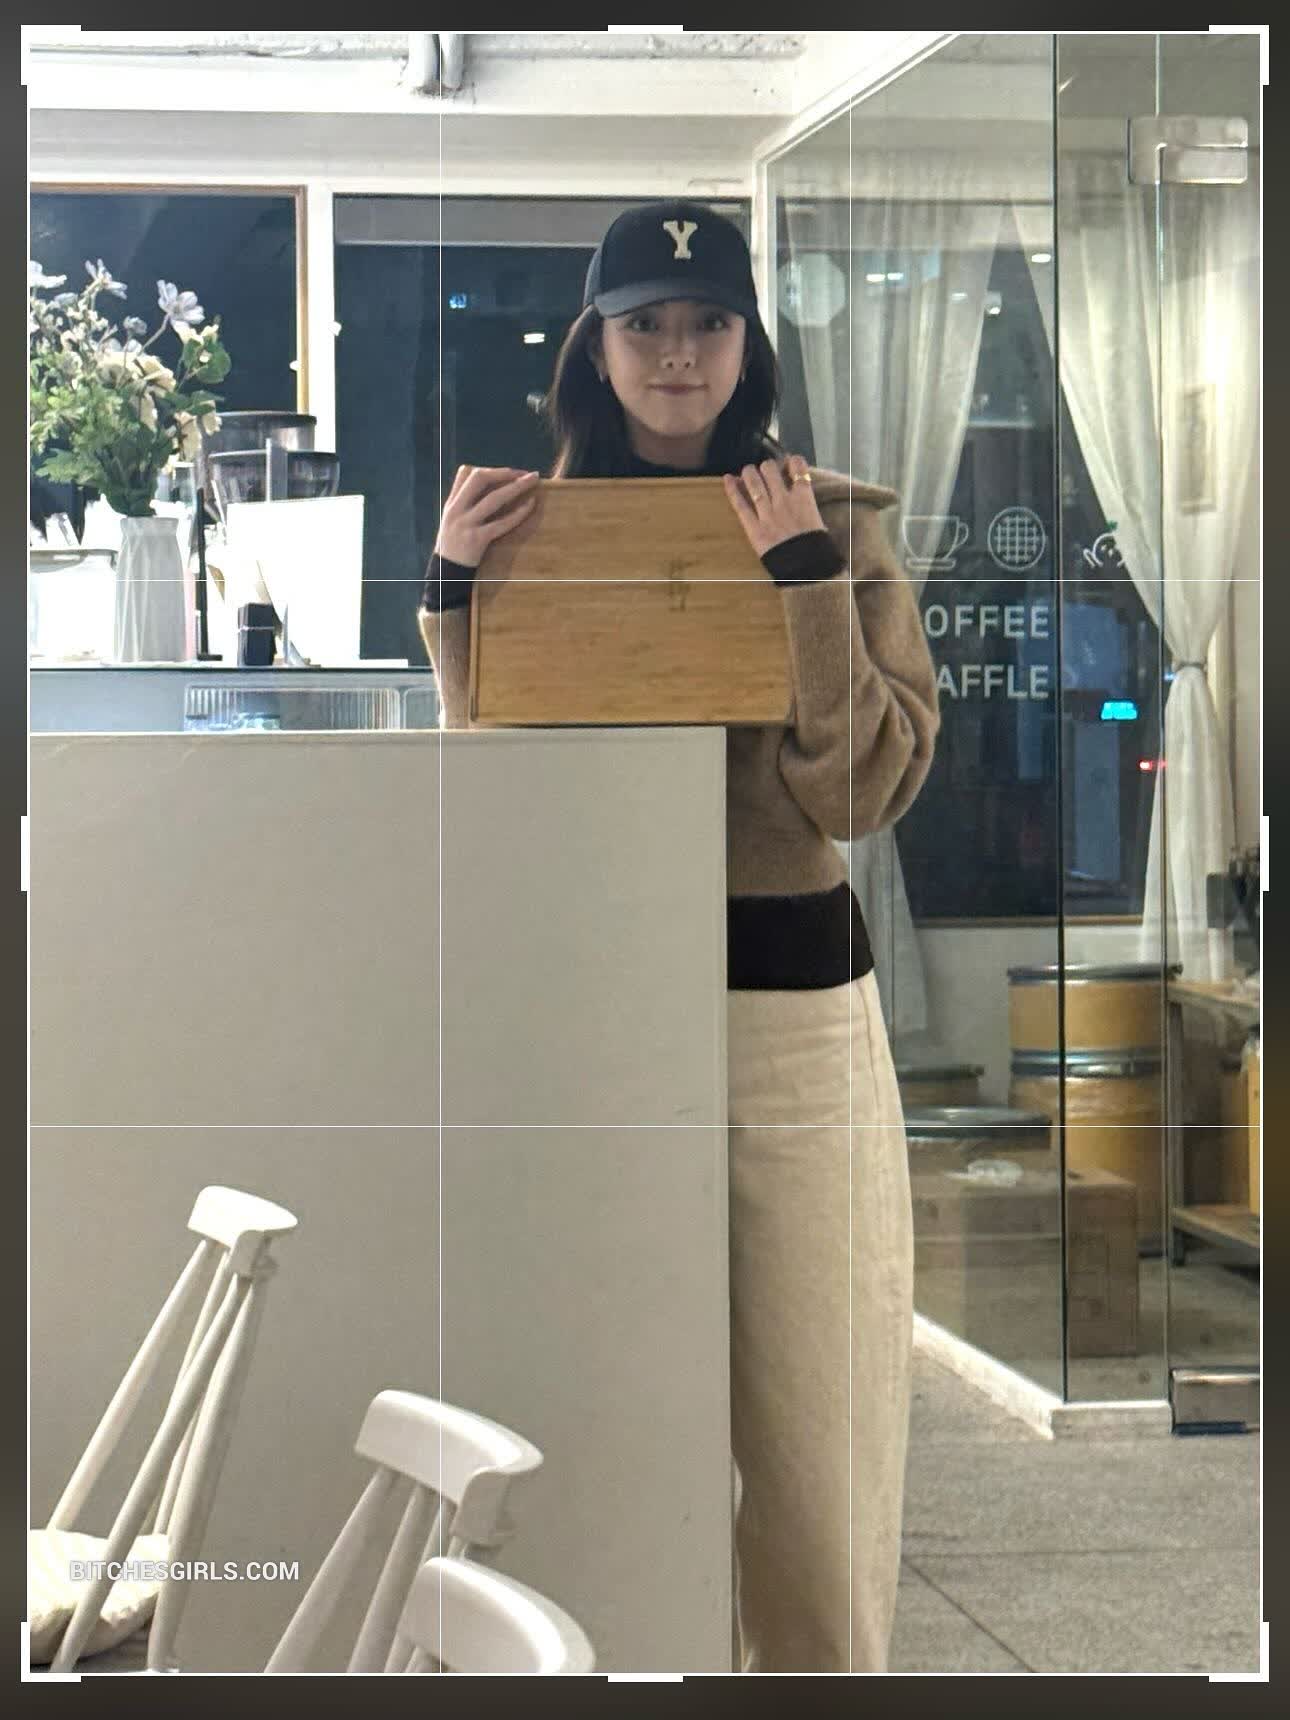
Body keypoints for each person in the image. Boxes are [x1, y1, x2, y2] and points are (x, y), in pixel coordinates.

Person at [418, 201, 940, 1675]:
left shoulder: (838, 521)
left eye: (708, 323)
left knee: (820, 1404)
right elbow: (497, 790)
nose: (676, 353)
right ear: (594, 347)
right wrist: (453, 594)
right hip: (594, 1000)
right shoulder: (530, 524)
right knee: (596, 1398)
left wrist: (806, 584)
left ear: (747, 344)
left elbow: (859, 795)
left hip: (788, 1003)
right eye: (644, 323)